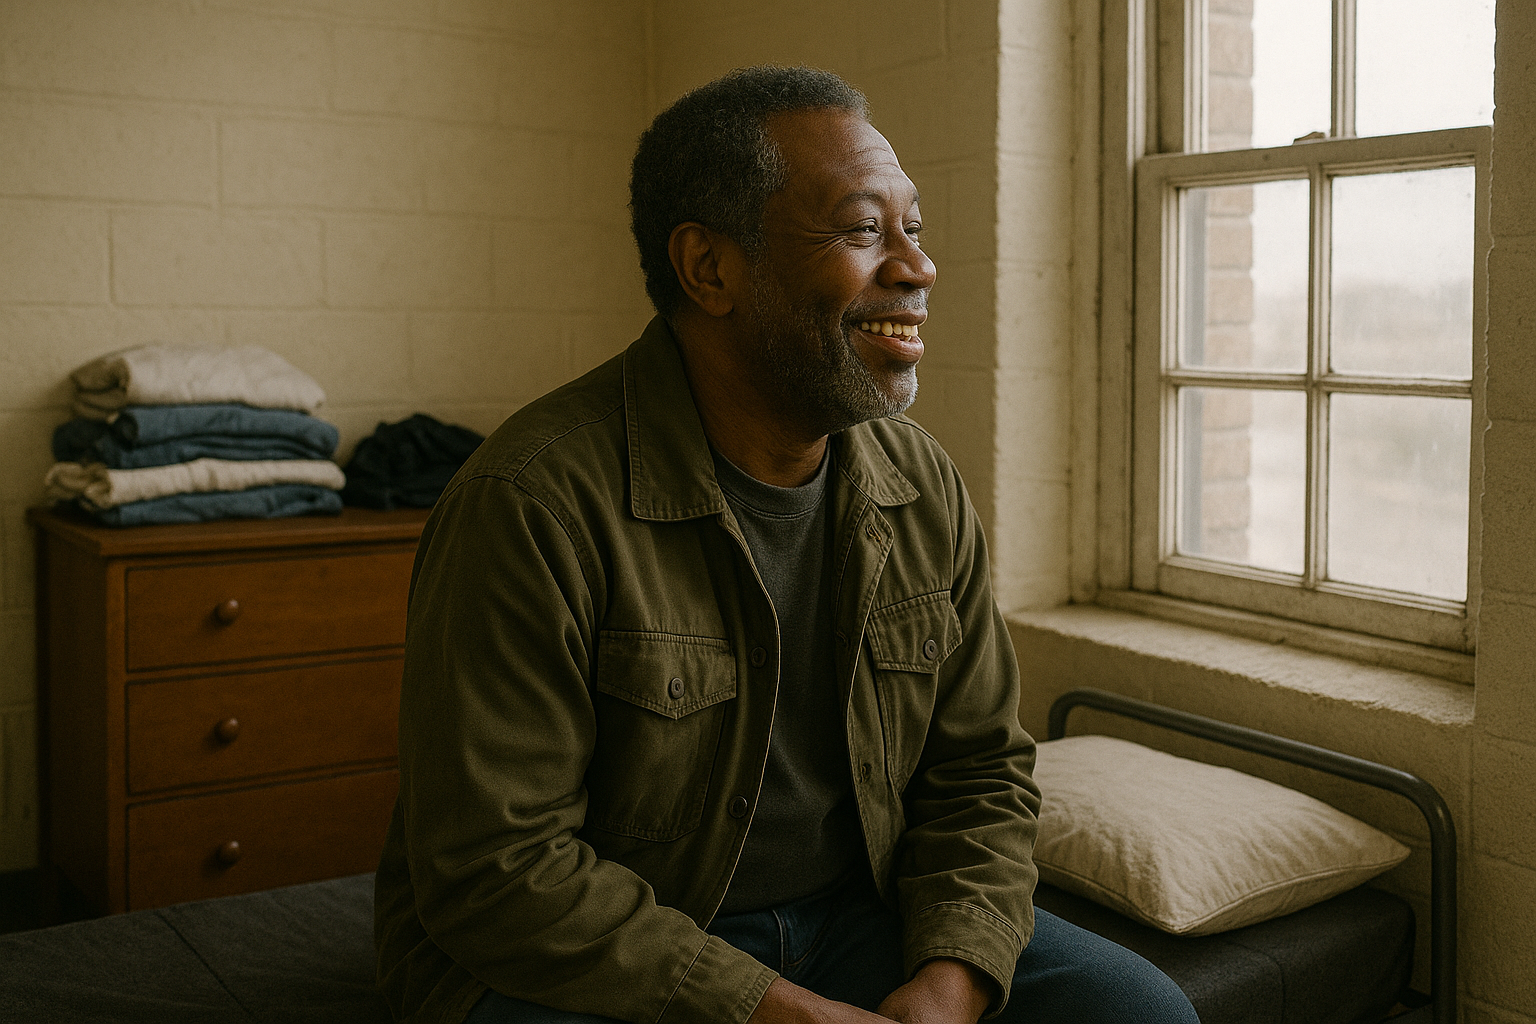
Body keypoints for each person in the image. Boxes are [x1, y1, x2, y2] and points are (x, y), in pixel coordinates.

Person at [374, 65, 1200, 1024]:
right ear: (711, 269)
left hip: (847, 918)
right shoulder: (531, 504)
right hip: (597, 954)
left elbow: (979, 775)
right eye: (861, 229)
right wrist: (778, 1012)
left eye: (913, 229)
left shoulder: (921, 484)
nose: (917, 267)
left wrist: (950, 981)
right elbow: (498, 871)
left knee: (1143, 1016)